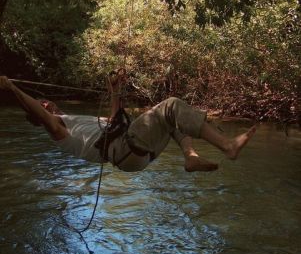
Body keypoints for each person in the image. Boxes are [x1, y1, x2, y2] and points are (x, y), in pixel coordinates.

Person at [0, 74, 256, 173]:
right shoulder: (58, 130)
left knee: (173, 121)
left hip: (135, 156)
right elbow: (41, 115)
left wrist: (115, 91)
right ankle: (227, 145)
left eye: (45, 102)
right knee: (172, 105)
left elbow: (113, 122)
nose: (46, 105)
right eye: (41, 105)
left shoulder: (75, 122)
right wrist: (13, 89)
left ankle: (190, 156)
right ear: (40, 114)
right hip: (126, 150)